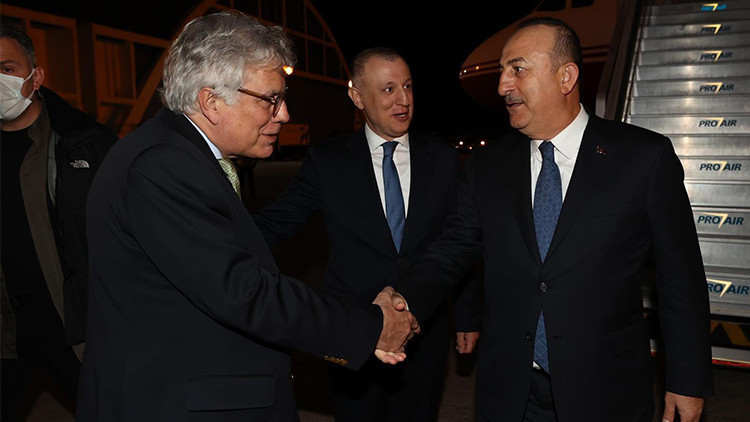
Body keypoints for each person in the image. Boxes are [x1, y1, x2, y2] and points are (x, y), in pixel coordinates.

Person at [76, 12, 416, 422]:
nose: (284, 114)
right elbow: (243, 291)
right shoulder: (162, 166)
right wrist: (369, 326)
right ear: (211, 102)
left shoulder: (178, 154)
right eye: (270, 99)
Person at [393, 17, 713, 422]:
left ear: (566, 77)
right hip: (510, 391)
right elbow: (452, 249)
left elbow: (680, 277)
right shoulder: (487, 165)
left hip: (606, 390)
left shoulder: (643, 158)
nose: (502, 85)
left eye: (517, 69)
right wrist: (401, 299)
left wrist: (687, 379)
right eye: (503, 71)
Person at [252, 47, 481, 422]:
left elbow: (458, 242)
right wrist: (214, 236)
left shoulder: (441, 157)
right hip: (354, 330)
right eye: (389, 89)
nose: (403, 100)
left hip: (425, 328)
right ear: (357, 96)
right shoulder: (327, 161)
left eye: (408, 86)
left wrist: (467, 315)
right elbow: (279, 221)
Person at [0, 25, 117, 420]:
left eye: (7, 68)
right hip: (7, 330)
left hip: (71, 325)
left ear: (36, 77)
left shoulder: (85, 144)